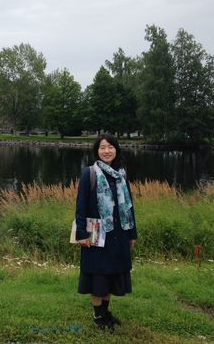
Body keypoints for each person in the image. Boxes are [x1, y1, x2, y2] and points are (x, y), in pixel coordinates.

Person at [75, 133, 137, 330]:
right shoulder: (90, 174)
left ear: (116, 149)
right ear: (97, 151)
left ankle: (106, 312)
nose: (107, 151)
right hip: (96, 232)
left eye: (110, 147)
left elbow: (129, 206)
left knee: (111, 274)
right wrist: (81, 235)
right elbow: (81, 206)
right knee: (97, 275)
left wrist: (132, 233)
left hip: (119, 233)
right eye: (102, 147)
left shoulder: (121, 174)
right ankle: (98, 316)